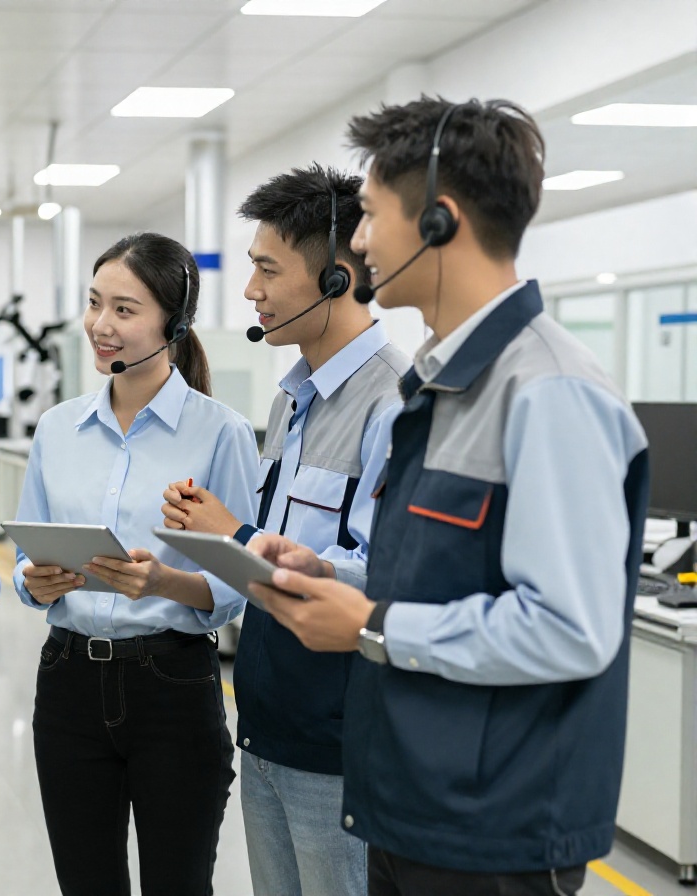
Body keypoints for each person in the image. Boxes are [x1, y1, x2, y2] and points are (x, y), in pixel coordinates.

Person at [249, 97, 650, 896]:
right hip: (410, 806)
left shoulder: (551, 393)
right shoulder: (442, 383)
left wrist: (371, 623)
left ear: (438, 221)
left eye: (368, 216)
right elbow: (446, 580)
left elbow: (569, 629)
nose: (358, 244)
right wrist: (339, 581)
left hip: (491, 829)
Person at [162, 165, 408, 896]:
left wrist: (233, 535)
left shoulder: (394, 405)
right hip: (267, 721)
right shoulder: (292, 403)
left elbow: (378, 579)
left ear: (335, 279)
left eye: (267, 269)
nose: (251, 291)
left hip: (338, 744)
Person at [14, 232, 260, 896]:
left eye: (124, 310)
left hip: (172, 684)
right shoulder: (57, 430)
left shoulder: (222, 433)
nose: (100, 325)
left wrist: (165, 581)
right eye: (95, 304)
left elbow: (242, 581)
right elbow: (24, 556)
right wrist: (33, 581)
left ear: (173, 323)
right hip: (67, 681)